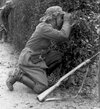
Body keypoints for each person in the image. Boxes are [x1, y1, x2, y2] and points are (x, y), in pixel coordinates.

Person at [6, 6, 72, 94]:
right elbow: (63, 36)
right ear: (54, 17)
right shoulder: (43, 28)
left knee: (57, 56)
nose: (62, 20)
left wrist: (68, 23)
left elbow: (61, 33)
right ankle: (19, 75)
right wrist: (67, 21)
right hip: (29, 59)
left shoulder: (48, 27)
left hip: (37, 57)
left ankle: (37, 77)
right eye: (61, 17)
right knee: (41, 88)